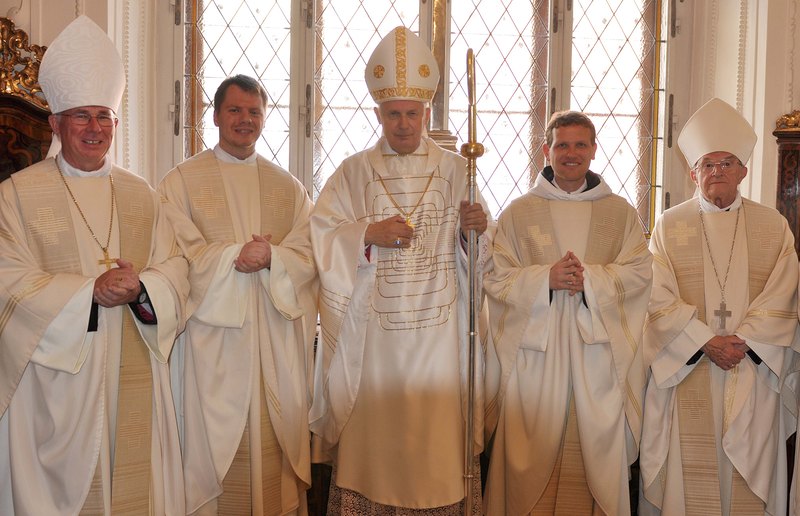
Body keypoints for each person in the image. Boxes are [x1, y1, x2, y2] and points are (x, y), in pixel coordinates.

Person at [0, 16, 189, 515]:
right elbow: (7, 280)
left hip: (133, 369)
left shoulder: (141, 195)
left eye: (103, 116)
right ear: (54, 124)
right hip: (54, 386)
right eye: (80, 116)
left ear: (116, 123)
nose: (93, 128)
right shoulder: (17, 195)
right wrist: (89, 293)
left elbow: (176, 268)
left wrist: (143, 288)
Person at [308, 26, 491, 515]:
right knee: (376, 450)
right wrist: (366, 233)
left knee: (435, 451)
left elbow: (481, 260)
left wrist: (473, 232)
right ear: (378, 114)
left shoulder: (458, 171)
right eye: (394, 114)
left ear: (427, 113)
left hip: (439, 341)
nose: (404, 124)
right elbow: (321, 234)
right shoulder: (352, 171)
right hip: (376, 345)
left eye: (413, 113)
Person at [159, 74, 317, 515]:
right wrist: (234, 256)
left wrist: (273, 259)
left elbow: (309, 252)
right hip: (211, 346)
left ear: (265, 119)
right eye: (235, 110)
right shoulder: (181, 182)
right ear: (215, 116)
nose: (244, 120)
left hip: (271, 343)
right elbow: (172, 254)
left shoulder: (288, 187)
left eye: (254, 112)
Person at [481, 111, 653, 515]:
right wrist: (546, 279)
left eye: (580, 145)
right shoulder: (519, 213)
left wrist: (589, 280)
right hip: (535, 361)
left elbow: (640, 273)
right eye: (562, 145)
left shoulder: (621, 214)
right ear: (547, 150)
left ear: (594, 150)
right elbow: (496, 277)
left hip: (597, 359)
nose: (571, 153)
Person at [639, 97, 798, 515]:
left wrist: (741, 341)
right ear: (693, 172)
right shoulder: (669, 225)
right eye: (709, 164)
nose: (718, 172)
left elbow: (784, 291)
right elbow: (655, 295)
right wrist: (705, 341)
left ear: (743, 171)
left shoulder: (772, 225)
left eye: (727, 163)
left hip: (751, 369)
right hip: (691, 367)